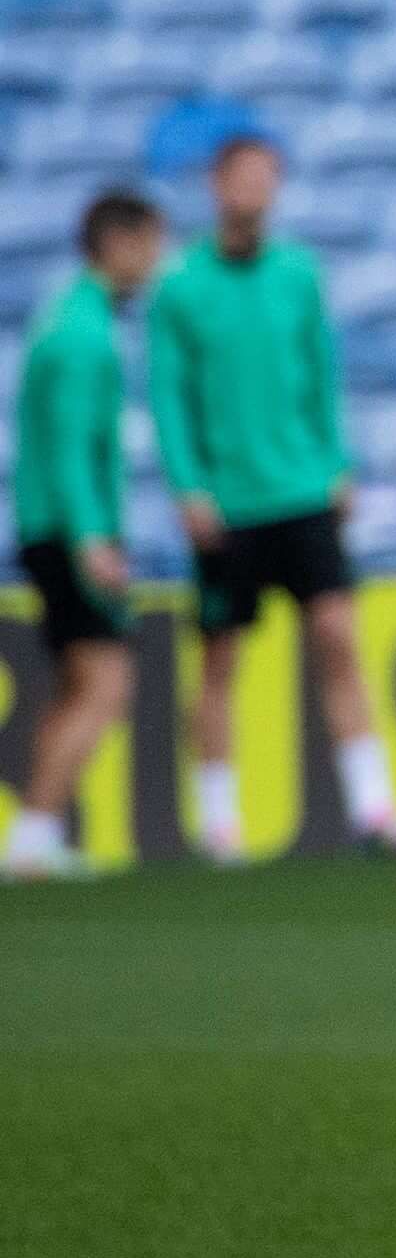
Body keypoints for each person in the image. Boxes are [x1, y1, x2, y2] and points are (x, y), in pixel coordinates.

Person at [149, 133, 396, 858]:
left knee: (338, 639)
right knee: (220, 660)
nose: (254, 190)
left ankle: (374, 807)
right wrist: (188, 486)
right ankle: (218, 821)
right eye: (243, 176)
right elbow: (168, 396)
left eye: (266, 177)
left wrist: (337, 463)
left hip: (303, 490)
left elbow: (322, 375)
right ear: (216, 183)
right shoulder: (181, 286)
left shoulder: (299, 273)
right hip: (228, 501)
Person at [7, 190, 170, 883]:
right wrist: (93, 537)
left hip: (47, 524)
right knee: (105, 684)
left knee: (76, 684)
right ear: (120, 243)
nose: (159, 260)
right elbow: (73, 448)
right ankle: (35, 834)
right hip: (69, 529)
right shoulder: (83, 333)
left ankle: (33, 834)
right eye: (153, 243)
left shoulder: (68, 315)